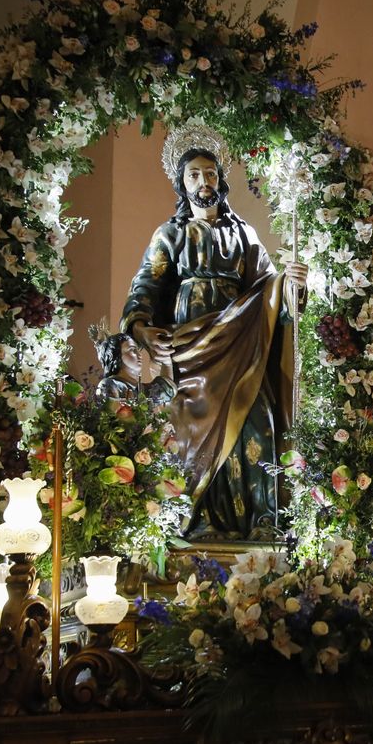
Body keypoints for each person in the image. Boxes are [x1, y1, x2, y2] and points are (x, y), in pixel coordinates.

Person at [121, 127, 307, 539]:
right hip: (190, 349)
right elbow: (144, 289)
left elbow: (268, 288)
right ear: (181, 183)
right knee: (192, 433)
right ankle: (198, 522)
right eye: (193, 175)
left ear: (220, 181)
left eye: (209, 174)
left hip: (242, 343)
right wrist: (143, 331)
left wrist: (292, 285)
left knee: (257, 423)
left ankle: (261, 521)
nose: (203, 182)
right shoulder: (169, 235)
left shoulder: (244, 234)